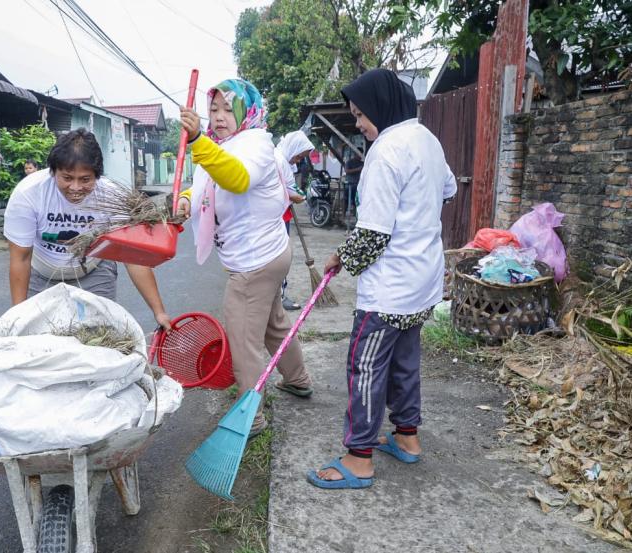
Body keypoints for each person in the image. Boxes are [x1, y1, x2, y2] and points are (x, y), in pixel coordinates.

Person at [307, 69, 456, 489]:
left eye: (360, 114)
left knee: (366, 366)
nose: (358, 123)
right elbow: (448, 190)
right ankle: (407, 438)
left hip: (388, 291)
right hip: (423, 281)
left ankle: (359, 458)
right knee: (405, 361)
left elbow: (372, 233)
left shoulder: (386, 151)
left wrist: (341, 258)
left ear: (380, 106)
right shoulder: (428, 140)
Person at [176, 79, 313, 436]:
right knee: (273, 324)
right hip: (268, 254)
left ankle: (250, 418)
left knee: (242, 338)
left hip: (255, 262)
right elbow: (206, 185)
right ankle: (298, 379)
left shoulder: (254, 142)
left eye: (227, 109)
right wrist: (186, 201)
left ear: (247, 111)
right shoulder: (223, 144)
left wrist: (196, 141)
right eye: (214, 109)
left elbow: (237, 179)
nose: (219, 117)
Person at [3, 129, 171, 330]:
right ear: (53, 171)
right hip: (43, 276)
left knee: (98, 338)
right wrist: (18, 318)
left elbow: (132, 259)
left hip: (94, 272)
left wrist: (159, 311)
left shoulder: (112, 195)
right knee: (42, 340)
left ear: (97, 175)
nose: (75, 188)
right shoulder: (28, 193)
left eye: (85, 179)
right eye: (67, 178)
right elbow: (21, 258)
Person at [276, 131, 314, 311]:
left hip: (283, 215)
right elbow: (284, 190)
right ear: (293, 149)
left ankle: (279, 296)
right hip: (278, 217)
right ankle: (279, 297)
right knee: (281, 257)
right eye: (299, 156)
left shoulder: (283, 160)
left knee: (283, 256)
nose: (298, 160)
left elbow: (290, 188)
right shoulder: (280, 161)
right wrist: (296, 197)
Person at [343, 150, 363, 219]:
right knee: (346, 200)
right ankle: (343, 216)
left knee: (356, 201)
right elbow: (347, 171)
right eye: (359, 154)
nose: (360, 156)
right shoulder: (349, 162)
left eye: (361, 154)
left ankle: (356, 216)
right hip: (349, 184)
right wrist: (358, 169)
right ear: (355, 154)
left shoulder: (362, 163)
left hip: (358, 185)